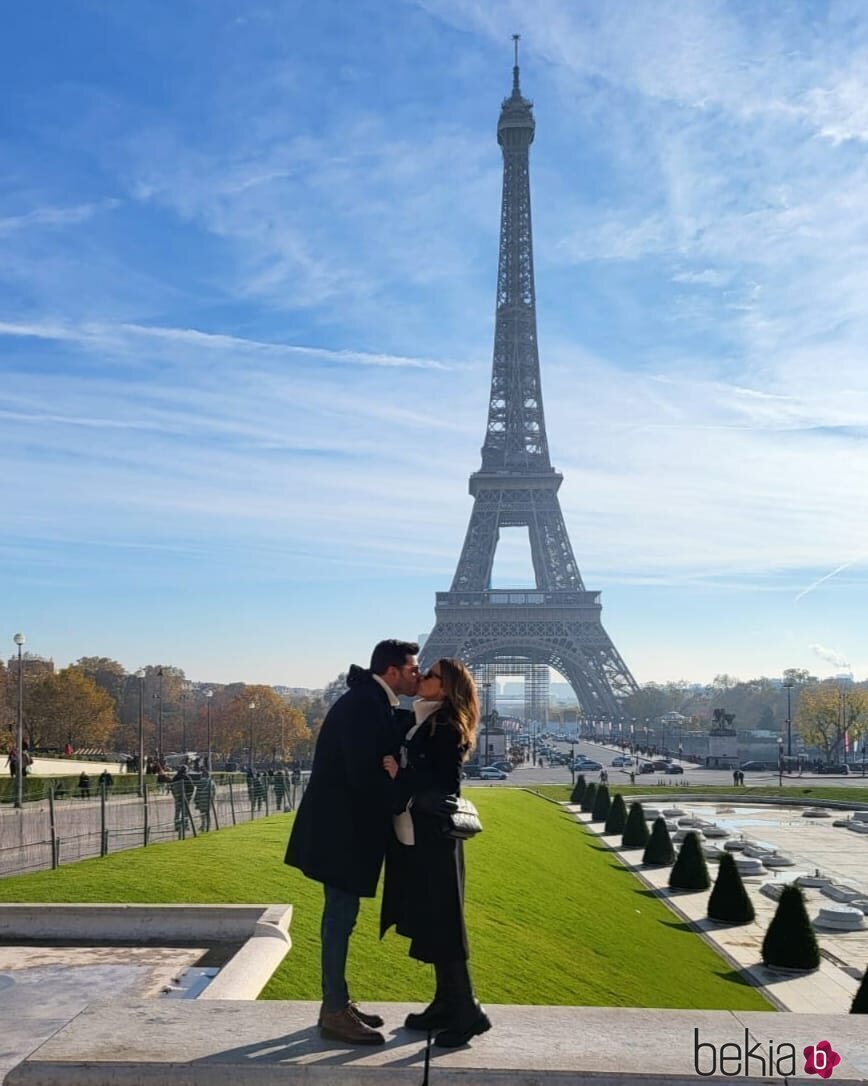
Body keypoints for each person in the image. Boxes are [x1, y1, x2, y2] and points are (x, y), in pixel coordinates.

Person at [284, 639, 420, 1046]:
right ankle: (334, 1010)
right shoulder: (365, 705)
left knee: (340, 917)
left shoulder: (369, 701)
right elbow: (365, 774)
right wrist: (401, 788)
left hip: (340, 830)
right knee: (339, 918)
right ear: (392, 671)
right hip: (342, 833)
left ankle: (337, 1002)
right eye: (413, 668)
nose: (418, 673)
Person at [380, 658, 491, 1049]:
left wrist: (401, 774)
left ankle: (467, 1011)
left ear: (445, 688)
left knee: (443, 921)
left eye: (430, 676)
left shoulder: (445, 724)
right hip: (422, 834)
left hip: (435, 838)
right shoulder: (427, 717)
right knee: (433, 918)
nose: (422, 677)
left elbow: (445, 782)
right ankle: (446, 1002)